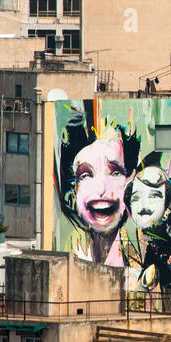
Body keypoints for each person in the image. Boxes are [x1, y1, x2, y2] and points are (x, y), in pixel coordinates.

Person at [56, 104, 140, 266]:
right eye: (86, 175)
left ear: (130, 180)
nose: (101, 189)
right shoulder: (67, 263)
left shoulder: (141, 265)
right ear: (73, 190)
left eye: (115, 172)